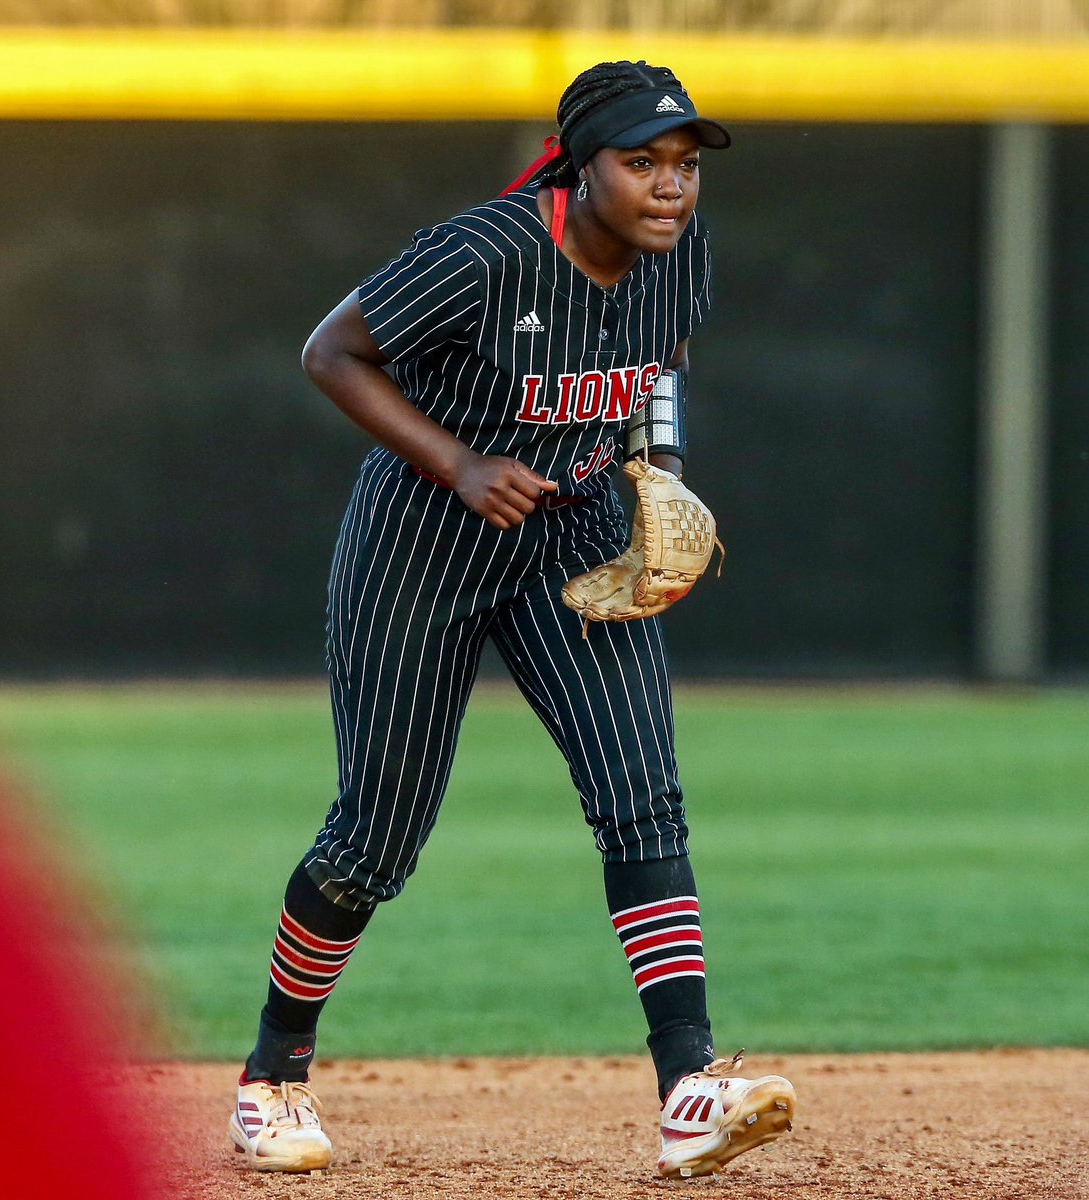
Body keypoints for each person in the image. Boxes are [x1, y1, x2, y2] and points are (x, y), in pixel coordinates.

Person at [227, 59, 795, 1181]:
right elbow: (329, 352)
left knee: (643, 796)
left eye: (683, 166)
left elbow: (661, 365)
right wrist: (459, 462)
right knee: (374, 838)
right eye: (642, 164)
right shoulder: (489, 252)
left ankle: (690, 1087)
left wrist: (662, 471)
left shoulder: (680, 256)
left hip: (573, 530)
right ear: (582, 168)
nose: (671, 188)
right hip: (422, 542)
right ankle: (272, 1076)